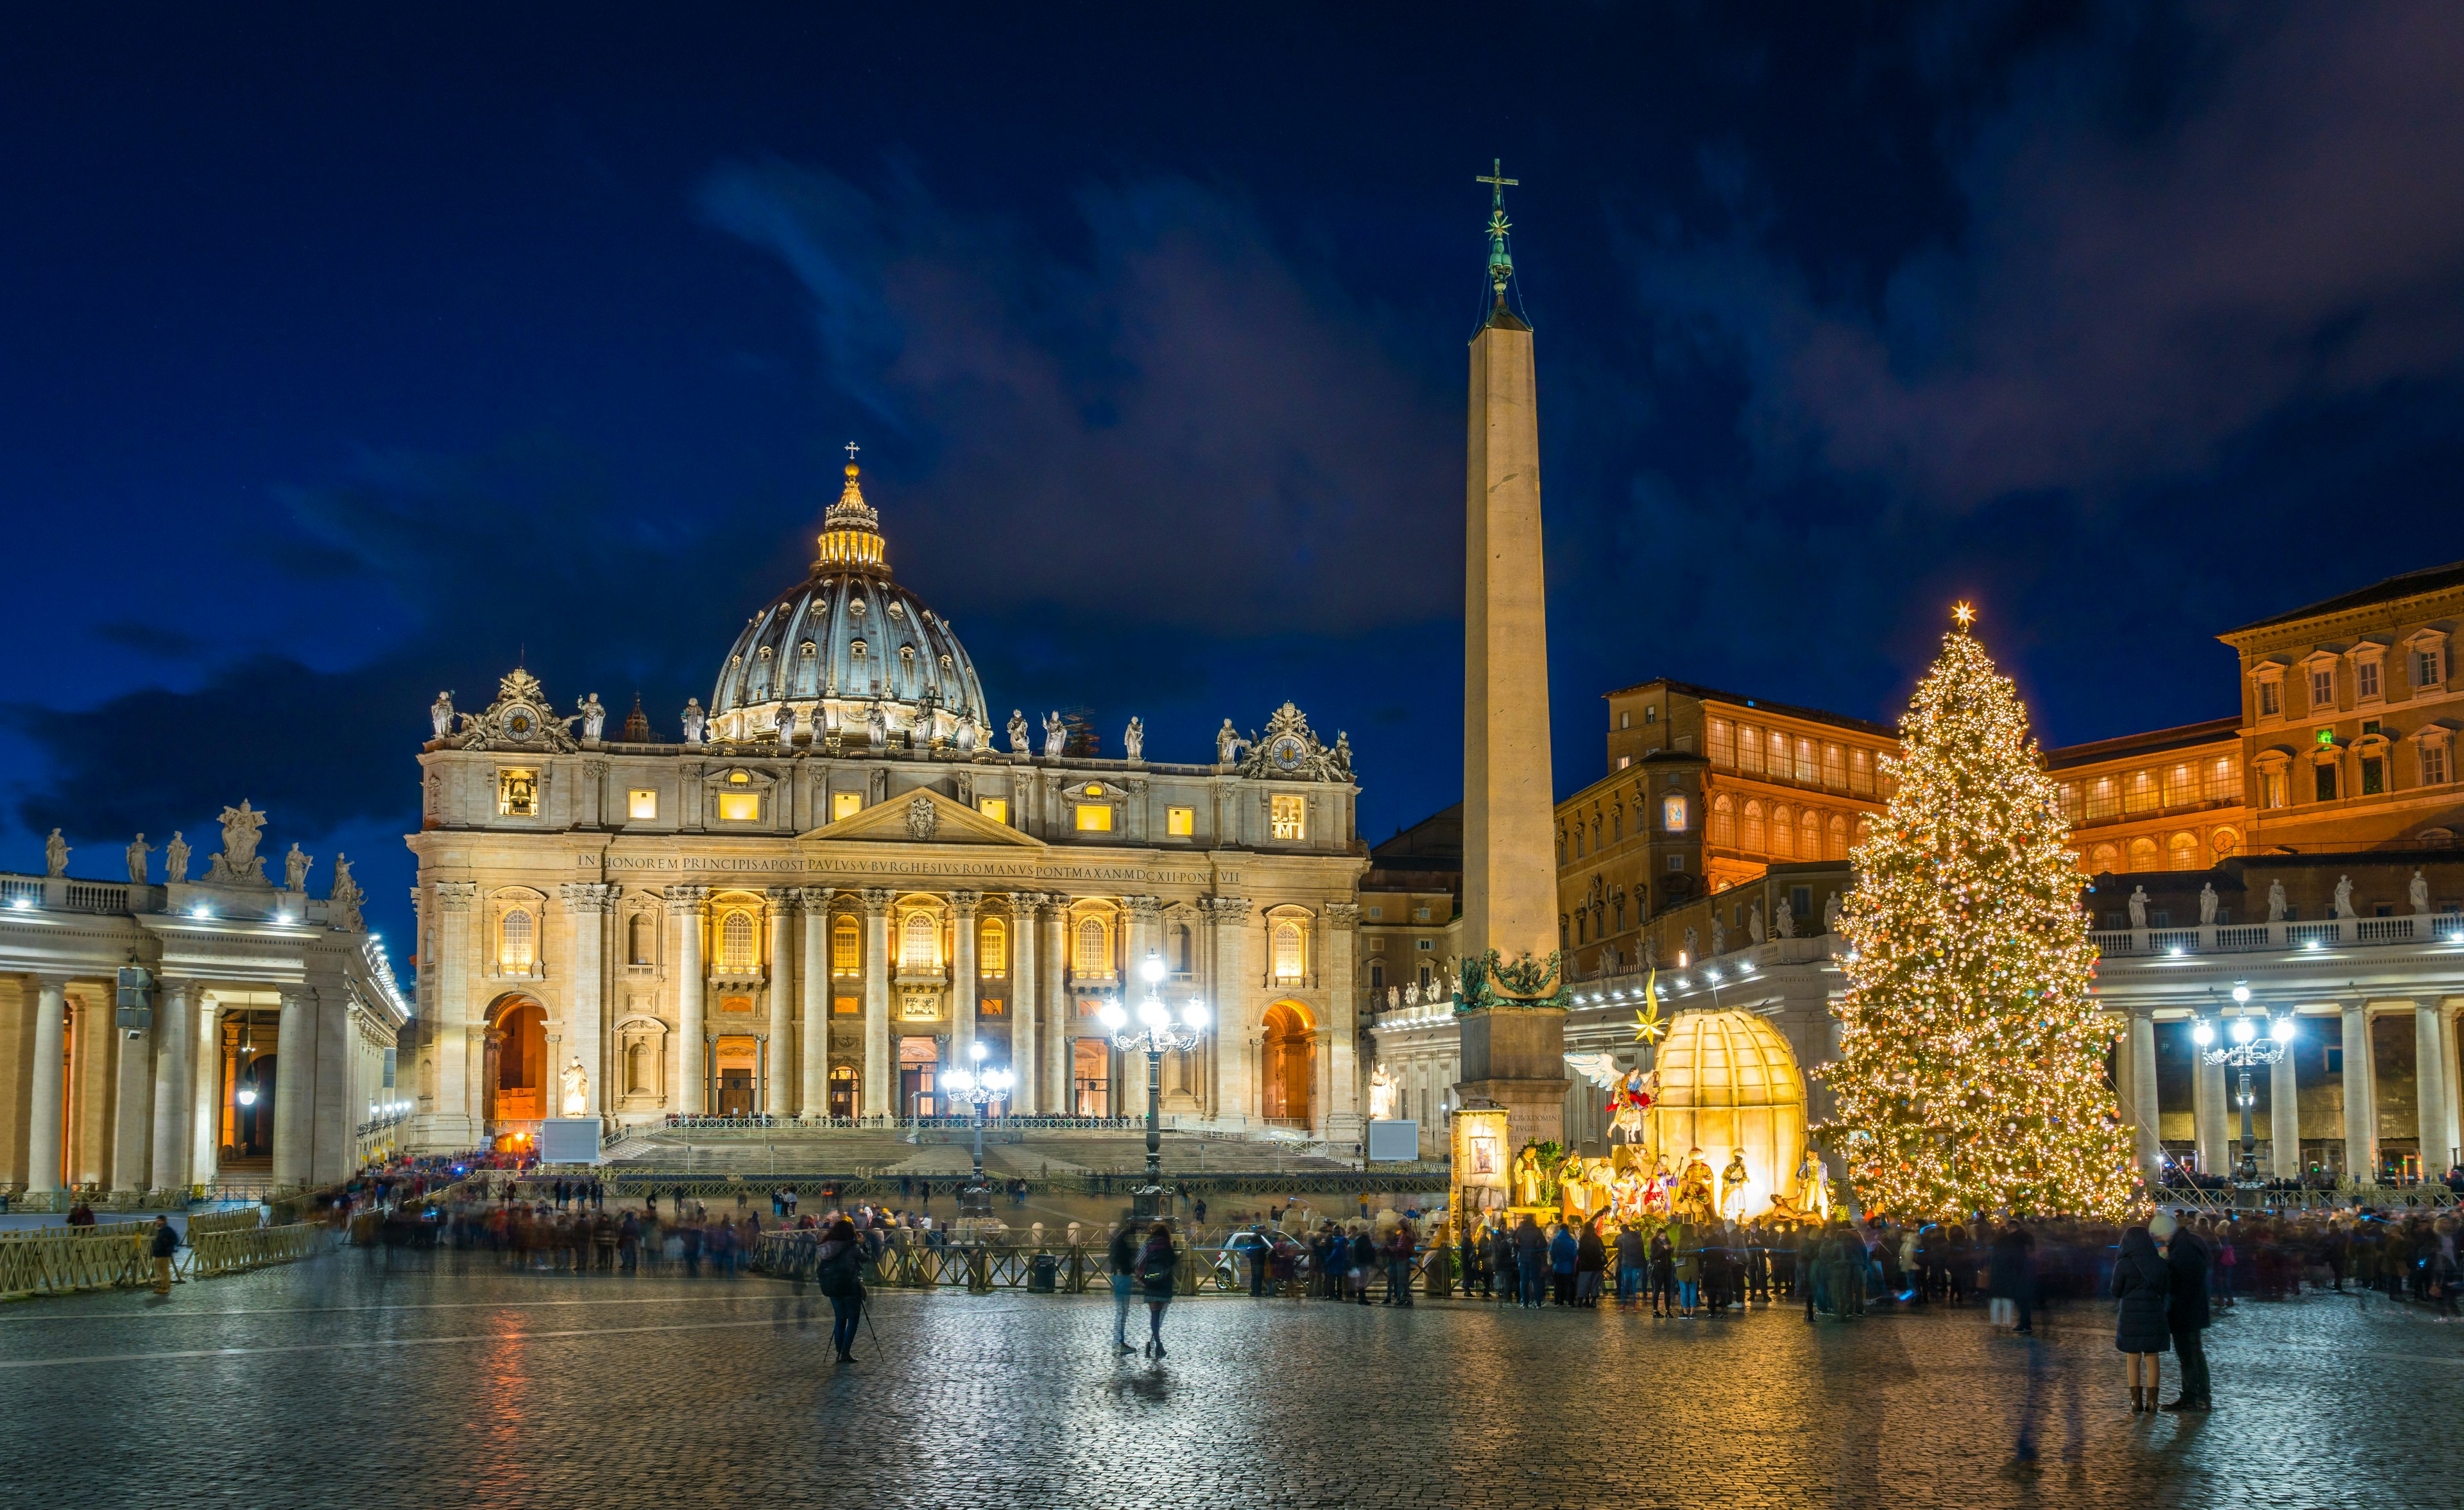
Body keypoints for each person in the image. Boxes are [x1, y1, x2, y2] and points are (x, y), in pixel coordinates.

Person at [2156, 1211, 2214, 1412]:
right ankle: (2196, 1395)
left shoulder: (2184, 1249)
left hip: (2186, 1309)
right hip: (2191, 1308)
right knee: (2192, 1354)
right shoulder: (2187, 1243)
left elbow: (2182, 1280)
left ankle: (2195, 1396)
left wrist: (2165, 1267)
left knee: (2190, 1354)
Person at [2111, 1225, 2173, 1413]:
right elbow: (2166, 1289)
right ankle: (2153, 1402)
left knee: (2133, 1356)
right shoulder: (2160, 1262)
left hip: (2130, 1315)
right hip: (2154, 1313)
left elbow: (2115, 1291)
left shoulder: (2124, 1264)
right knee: (2153, 1357)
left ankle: (2135, 1402)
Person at [815, 1218, 866, 1363]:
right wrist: (861, 1243)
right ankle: (845, 1352)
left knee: (840, 1319)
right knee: (853, 1319)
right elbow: (867, 1258)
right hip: (850, 1286)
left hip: (833, 1287)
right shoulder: (852, 1247)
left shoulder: (828, 1247)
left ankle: (839, 1352)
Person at [1136, 1221, 1177, 1357]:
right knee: (1160, 1316)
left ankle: (1156, 1344)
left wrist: (1143, 1279)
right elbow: (1173, 1262)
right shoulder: (1167, 1245)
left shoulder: (1147, 1245)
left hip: (1151, 1284)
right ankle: (1157, 1345)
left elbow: (1139, 1263)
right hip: (1164, 1284)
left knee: (1154, 1315)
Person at [1108, 1220, 1140, 1352]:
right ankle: (1118, 1343)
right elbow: (1124, 1258)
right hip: (1122, 1278)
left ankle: (1119, 1342)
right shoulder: (1124, 1240)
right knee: (1122, 1312)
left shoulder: (1119, 1238)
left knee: (1122, 1312)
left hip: (1119, 1277)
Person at [1513, 1212, 1546, 1308]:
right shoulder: (1536, 1230)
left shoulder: (1520, 1230)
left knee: (1524, 1280)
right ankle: (1538, 1301)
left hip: (1522, 1257)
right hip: (1533, 1257)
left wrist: (1517, 1252)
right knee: (1536, 1280)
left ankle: (1524, 1302)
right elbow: (1544, 1243)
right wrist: (1537, 1249)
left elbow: (1513, 1242)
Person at [1615, 1221, 1648, 1311]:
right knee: (1634, 1285)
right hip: (1636, 1264)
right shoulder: (1637, 1238)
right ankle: (1634, 1304)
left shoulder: (1623, 1237)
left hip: (1627, 1264)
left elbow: (1615, 1242)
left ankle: (1623, 1304)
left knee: (1625, 1284)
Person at [148, 1214, 181, 1295]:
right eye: (157, 1220)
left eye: (159, 1221)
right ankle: (164, 1286)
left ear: (163, 1221)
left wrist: (169, 1248)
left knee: (164, 1271)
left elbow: (175, 1240)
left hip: (164, 1254)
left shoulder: (167, 1230)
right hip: (160, 1253)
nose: (157, 1222)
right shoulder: (162, 1230)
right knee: (162, 1271)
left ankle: (165, 1287)